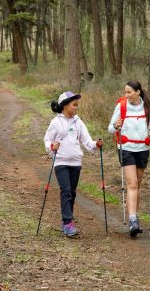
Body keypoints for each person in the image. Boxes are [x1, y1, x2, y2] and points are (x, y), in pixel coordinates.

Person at [44, 91, 103, 237]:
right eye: (74, 105)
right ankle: (68, 222)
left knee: (72, 192)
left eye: (77, 105)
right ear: (64, 106)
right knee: (66, 191)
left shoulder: (78, 122)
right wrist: (52, 146)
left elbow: (87, 141)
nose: (76, 107)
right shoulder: (56, 122)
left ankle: (66, 222)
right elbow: (47, 140)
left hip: (76, 162)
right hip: (61, 162)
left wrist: (96, 144)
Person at [108, 81, 150, 237]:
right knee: (132, 183)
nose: (126, 95)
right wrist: (116, 126)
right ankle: (133, 219)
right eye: (125, 92)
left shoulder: (148, 107)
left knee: (138, 184)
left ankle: (134, 219)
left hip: (142, 149)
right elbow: (110, 128)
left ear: (138, 92)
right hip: (126, 148)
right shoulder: (121, 107)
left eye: (129, 92)